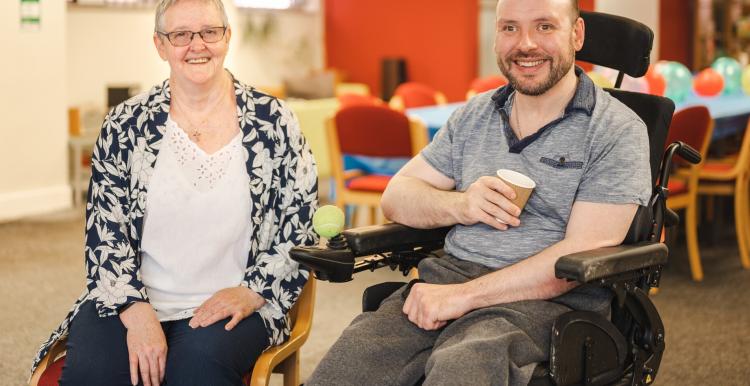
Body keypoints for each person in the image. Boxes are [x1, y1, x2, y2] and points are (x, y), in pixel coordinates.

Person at [307, 0, 651, 385]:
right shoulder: (475, 115)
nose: (526, 44)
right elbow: (396, 196)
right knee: (349, 363)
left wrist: (464, 297)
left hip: (544, 304)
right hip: (447, 280)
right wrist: (461, 204)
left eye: (544, 27)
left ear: (577, 34)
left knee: (462, 367)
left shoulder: (617, 130)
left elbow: (578, 256)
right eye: (509, 28)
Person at [30, 0, 318, 385]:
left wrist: (252, 292)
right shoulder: (125, 124)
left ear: (227, 37)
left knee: (198, 369)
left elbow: (300, 226)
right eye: (180, 35)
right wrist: (135, 311)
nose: (197, 45)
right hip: (129, 295)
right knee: (94, 373)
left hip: (234, 304)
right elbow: (105, 233)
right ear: (160, 45)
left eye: (209, 32)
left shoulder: (275, 121)